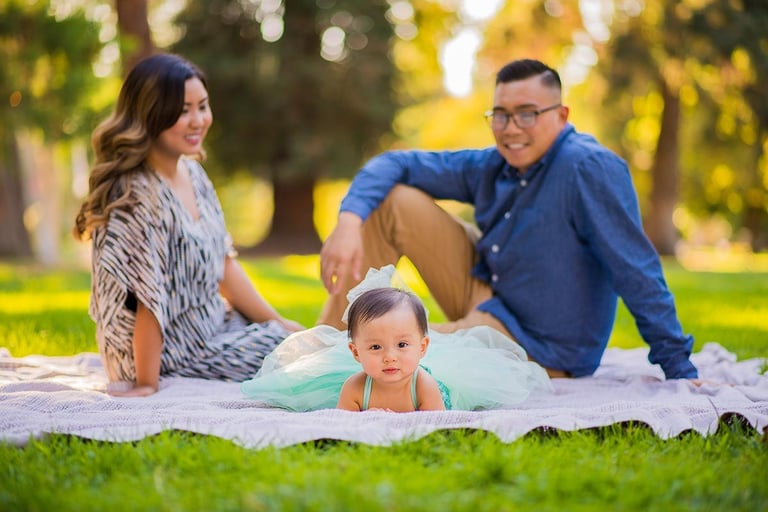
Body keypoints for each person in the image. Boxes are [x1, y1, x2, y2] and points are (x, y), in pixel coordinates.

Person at [318, 58, 698, 380]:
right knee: (392, 201)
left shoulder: (588, 169)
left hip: (538, 341)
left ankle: (334, 354)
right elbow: (395, 163)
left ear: (562, 115)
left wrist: (679, 366)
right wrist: (349, 222)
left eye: (527, 114)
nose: (511, 128)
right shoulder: (494, 163)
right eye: (501, 116)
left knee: (394, 353)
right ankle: (327, 339)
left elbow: (636, 270)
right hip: (491, 292)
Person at [73, 53, 303, 397]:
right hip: (166, 352)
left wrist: (278, 322)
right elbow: (148, 302)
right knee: (301, 362)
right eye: (183, 111)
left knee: (303, 342)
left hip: (210, 327)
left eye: (203, 107)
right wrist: (147, 384)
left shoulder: (193, 173)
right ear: (150, 114)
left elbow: (222, 264)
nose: (198, 121)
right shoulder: (137, 195)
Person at [241, 265, 551, 411]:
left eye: (402, 345)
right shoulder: (354, 388)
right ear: (356, 353)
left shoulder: (424, 385)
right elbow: (342, 425)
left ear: (422, 347)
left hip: (443, 396)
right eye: (375, 347)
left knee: (472, 398)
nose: (390, 356)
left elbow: (435, 424)